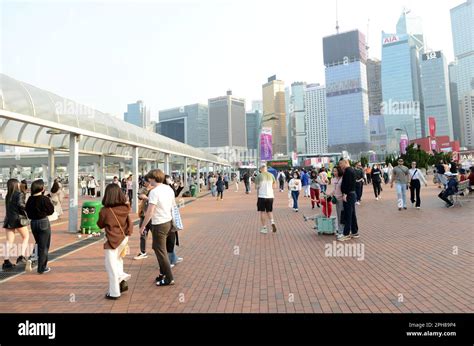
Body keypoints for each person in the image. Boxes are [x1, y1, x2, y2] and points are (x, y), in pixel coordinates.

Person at [97, 183, 133, 300]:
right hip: (123, 238)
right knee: (118, 261)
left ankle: (114, 292)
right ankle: (121, 283)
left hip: (112, 240)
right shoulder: (125, 208)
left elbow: (100, 224)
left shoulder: (105, 211)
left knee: (111, 266)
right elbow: (129, 223)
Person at [140, 169, 176, 286]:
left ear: (153, 179)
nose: (148, 181)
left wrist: (143, 226)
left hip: (159, 224)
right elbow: (173, 206)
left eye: (149, 178)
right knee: (160, 249)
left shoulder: (154, 192)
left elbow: (150, 211)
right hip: (168, 222)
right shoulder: (168, 188)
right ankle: (162, 273)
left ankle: (169, 278)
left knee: (160, 251)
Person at [25, 179, 55, 274]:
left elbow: (27, 213)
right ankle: (42, 267)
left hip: (33, 223)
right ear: (41, 189)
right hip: (43, 222)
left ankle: (32, 258)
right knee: (44, 246)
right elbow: (51, 211)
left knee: (38, 243)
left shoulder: (30, 199)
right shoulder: (44, 199)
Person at [2, 179, 31, 270]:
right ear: (15, 184)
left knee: (9, 241)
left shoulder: (8, 195)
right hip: (18, 219)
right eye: (18, 183)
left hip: (9, 219)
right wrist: (28, 209)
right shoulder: (19, 194)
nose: (19, 184)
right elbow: (21, 205)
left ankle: (6, 262)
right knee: (26, 237)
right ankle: (21, 257)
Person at [337, 160, 359, 241]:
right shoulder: (350, 170)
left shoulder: (348, 171)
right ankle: (354, 231)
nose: (340, 166)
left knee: (348, 214)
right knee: (352, 214)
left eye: (341, 164)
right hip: (350, 194)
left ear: (346, 163)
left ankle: (346, 234)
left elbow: (348, 184)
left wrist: (345, 194)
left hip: (348, 195)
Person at [134, 178, 154, 260]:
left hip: (153, 216)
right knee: (143, 235)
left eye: (146, 181)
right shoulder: (144, 189)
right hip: (143, 215)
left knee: (156, 236)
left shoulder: (156, 190)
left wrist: (148, 198)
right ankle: (143, 252)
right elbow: (140, 195)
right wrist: (147, 189)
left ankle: (161, 251)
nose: (144, 183)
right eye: (145, 181)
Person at [255, 164, 277, 234]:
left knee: (262, 212)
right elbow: (274, 186)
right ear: (266, 169)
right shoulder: (272, 175)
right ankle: (272, 222)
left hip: (262, 196)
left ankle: (264, 228)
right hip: (270, 196)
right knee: (269, 211)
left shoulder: (258, 176)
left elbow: (256, 187)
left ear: (261, 169)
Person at [329, 166, 344, 235]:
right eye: (333, 171)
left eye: (335, 171)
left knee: (342, 215)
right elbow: (334, 189)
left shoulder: (343, 178)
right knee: (339, 215)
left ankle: (342, 230)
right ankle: (340, 229)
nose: (334, 172)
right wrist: (330, 194)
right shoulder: (333, 179)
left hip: (343, 199)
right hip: (336, 199)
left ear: (339, 171)